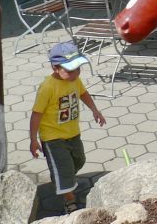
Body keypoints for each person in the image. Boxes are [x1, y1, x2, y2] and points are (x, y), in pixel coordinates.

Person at [30, 42, 105, 215]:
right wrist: (34, 139)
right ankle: (69, 200)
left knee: (79, 161)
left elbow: (83, 94)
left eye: (78, 69)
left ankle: (61, 177)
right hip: (52, 138)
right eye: (70, 70)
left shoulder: (74, 80)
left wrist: (95, 110)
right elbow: (36, 115)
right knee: (65, 171)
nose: (75, 74)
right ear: (55, 68)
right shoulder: (47, 87)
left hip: (73, 133)